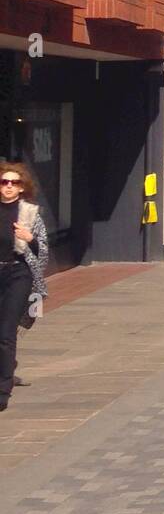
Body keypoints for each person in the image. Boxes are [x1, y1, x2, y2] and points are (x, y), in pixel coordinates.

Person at [0, 162, 48, 413]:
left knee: (6, 332)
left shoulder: (29, 214)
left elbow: (43, 251)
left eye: (14, 183)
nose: (8, 186)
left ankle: (3, 389)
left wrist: (30, 240)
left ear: (21, 188)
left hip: (18, 273)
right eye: (4, 182)